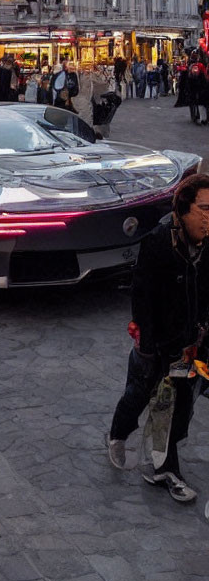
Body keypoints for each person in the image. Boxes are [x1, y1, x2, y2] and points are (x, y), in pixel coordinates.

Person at [107, 174, 209, 502]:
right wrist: (149, 348)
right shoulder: (158, 243)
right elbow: (142, 297)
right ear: (183, 208)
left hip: (194, 345)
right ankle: (121, 435)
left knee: (179, 407)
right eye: (204, 208)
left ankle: (163, 466)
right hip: (160, 346)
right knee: (140, 396)